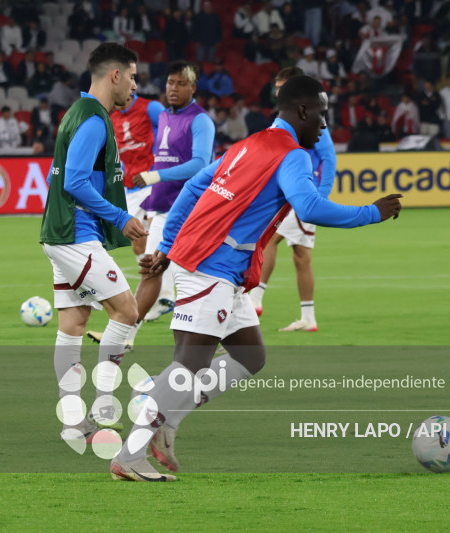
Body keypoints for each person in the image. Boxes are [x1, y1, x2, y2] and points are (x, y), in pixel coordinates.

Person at [110, 75, 402, 481]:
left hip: (220, 266)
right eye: (320, 113)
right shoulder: (292, 154)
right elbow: (309, 207)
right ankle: (130, 453)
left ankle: (168, 420)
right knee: (189, 365)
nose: (324, 124)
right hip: (211, 266)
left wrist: (168, 248)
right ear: (301, 110)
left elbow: (195, 187)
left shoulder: (248, 145)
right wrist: (372, 212)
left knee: (250, 357)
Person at [41, 43, 146, 441]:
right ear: (114, 75)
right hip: (75, 235)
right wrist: (121, 217)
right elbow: (74, 181)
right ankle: (105, 404)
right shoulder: (93, 120)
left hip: (63, 234)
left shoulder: (80, 113)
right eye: (133, 77)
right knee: (127, 311)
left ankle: (73, 421)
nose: (135, 88)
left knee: (74, 322)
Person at [88, 61, 215, 348]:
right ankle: (124, 336)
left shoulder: (200, 120)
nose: (173, 88)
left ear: (193, 88)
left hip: (193, 207)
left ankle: (224, 330)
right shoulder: (167, 116)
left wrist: (155, 175)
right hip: (163, 205)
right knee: (151, 268)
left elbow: (200, 164)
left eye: (181, 83)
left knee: (207, 273)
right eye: (170, 83)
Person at [249, 67, 337, 332]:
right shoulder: (286, 118)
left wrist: (320, 196)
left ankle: (254, 300)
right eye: (276, 87)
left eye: (282, 86)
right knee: (301, 256)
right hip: (290, 191)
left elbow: (329, 157)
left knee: (268, 237)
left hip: (301, 193)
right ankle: (308, 318)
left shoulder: (308, 117)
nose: (277, 92)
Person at [109, 93, 165, 263]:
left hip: (153, 179)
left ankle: (165, 288)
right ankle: (150, 281)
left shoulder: (151, 108)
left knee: (157, 231)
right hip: (132, 186)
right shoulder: (112, 119)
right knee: (138, 247)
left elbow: (171, 129)